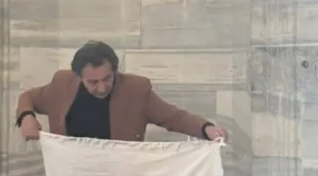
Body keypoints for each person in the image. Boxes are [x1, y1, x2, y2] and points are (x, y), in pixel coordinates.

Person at [15, 40, 228, 143]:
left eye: (107, 78)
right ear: (78, 76)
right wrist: (26, 117)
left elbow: (174, 117)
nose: (101, 88)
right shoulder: (62, 83)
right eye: (92, 82)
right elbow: (28, 98)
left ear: (115, 70)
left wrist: (206, 128)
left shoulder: (136, 90)